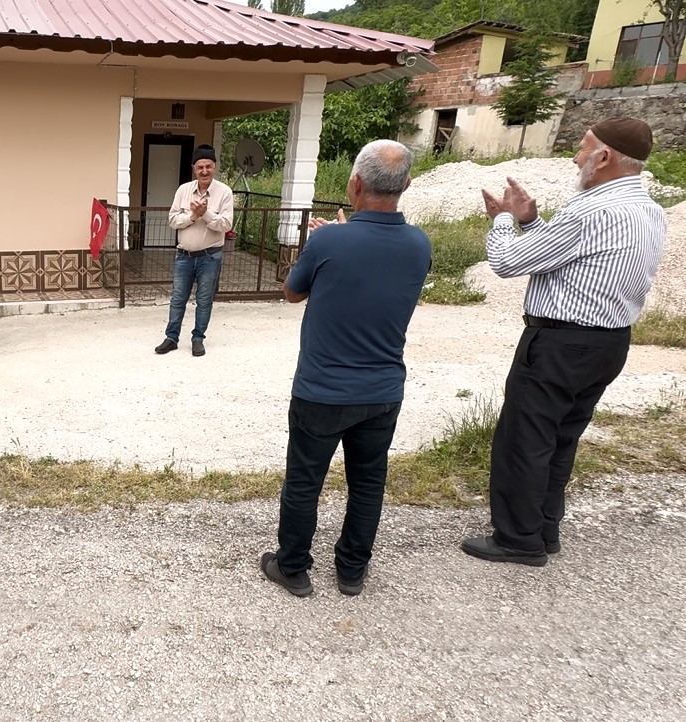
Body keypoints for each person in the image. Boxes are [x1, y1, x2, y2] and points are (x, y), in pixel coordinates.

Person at [462, 117, 666, 567]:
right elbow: (560, 259)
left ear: (605, 157)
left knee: (525, 440)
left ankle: (518, 540)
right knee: (560, 439)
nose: (576, 155)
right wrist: (532, 220)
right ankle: (544, 528)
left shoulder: (588, 209)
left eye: (583, 146)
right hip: (608, 342)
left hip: (559, 343)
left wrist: (502, 222)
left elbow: (508, 262)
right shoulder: (649, 210)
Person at [260, 140, 432, 598]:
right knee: (368, 482)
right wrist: (338, 239)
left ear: (355, 183)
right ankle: (352, 569)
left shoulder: (329, 240)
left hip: (322, 390)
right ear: (407, 185)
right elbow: (373, 272)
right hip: (382, 391)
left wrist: (323, 242)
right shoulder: (419, 244)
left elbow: (293, 293)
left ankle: (293, 566)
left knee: (304, 481)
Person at [154, 144, 234, 357]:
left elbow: (226, 225)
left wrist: (206, 214)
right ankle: (171, 338)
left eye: (208, 166)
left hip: (210, 256)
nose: (204, 171)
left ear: (214, 167)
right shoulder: (183, 190)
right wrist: (193, 216)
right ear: (194, 169)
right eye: (200, 167)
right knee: (178, 299)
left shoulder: (224, 192)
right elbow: (172, 220)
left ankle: (198, 338)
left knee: (204, 300)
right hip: (184, 257)